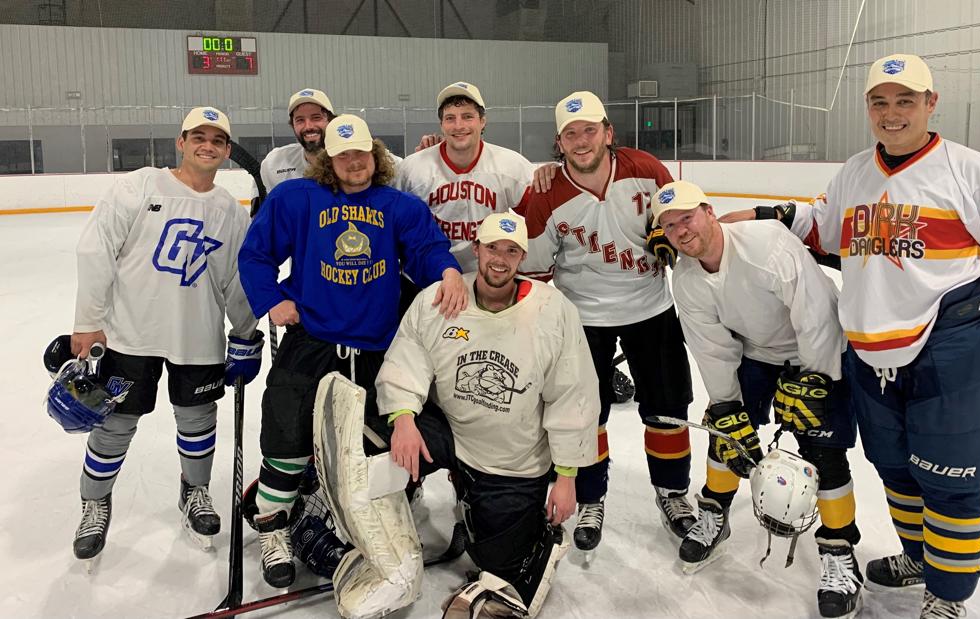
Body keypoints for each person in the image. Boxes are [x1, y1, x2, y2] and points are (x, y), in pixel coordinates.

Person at [723, 53, 980, 618]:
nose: (892, 113)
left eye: (905, 100)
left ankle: (948, 594)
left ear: (931, 103)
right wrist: (764, 215)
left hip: (950, 346)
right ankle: (920, 557)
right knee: (896, 469)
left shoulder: (973, 172)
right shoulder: (856, 172)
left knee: (951, 475)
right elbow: (822, 227)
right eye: (880, 102)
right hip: (868, 353)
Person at [238, 112, 467, 588]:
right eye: (343, 155)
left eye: (361, 153)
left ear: (375, 155)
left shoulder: (397, 206)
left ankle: (374, 511)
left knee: (379, 440)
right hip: (312, 341)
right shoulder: (297, 198)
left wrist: (446, 270)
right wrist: (272, 300)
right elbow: (256, 253)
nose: (354, 162)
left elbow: (426, 249)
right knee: (286, 433)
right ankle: (273, 527)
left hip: (378, 348)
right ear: (329, 159)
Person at [653, 180, 863, 618]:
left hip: (820, 348)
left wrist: (815, 379)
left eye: (687, 218)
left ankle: (839, 550)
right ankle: (714, 515)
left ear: (709, 212)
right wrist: (726, 407)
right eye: (670, 226)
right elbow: (712, 349)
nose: (681, 231)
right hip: (759, 353)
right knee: (725, 435)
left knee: (823, 452)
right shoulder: (687, 279)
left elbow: (816, 314)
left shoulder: (767, 244)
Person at [376, 211, 599, 615]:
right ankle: (380, 529)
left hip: (513, 461)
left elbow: (574, 395)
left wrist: (567, 479)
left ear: (523, 257)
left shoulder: (552, 311)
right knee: (374, 439)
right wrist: (403, 419)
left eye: (511, 251)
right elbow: (407, 357)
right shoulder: (441, 297)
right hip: (451, 433)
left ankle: (506, 529)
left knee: (500, 567)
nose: (500, 259)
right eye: (492, 247)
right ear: (476, 249)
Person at [69, 106, 263, 562]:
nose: (207, 146)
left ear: (227, 151)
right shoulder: (139, 186)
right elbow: (97, 249)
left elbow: (238, 281)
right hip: (129, 334)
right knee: (115, 423)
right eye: (199, 137)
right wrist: (87, 320)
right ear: (181, 142)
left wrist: (245, 334)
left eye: (217, 141)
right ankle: (94, 502)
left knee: (197, 421)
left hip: (197, 335)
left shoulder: (230, 212)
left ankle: (194, 492)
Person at [519, 90, 695, 556]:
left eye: (590, 130)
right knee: (584, 416)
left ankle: (673, 492)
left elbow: (679, 217)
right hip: (583, 318)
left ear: (608, 132)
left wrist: (666, 231)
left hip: (651, 309)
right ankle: (590, 498)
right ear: (559, 142)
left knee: (668, 409)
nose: (581, 141)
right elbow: (533, 266)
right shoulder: (546, 193)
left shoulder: (646, 169)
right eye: (571, 134)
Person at [394, 81, 535, 273]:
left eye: (467, 117)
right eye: (450, 118)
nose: (459, 126)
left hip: (488, 276)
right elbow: (390, 221)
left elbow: (540, 219)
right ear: (441, 125)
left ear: (482, 121)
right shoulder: (412, 168)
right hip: (427, 277)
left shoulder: (510, 165)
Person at [261, 88, 404, 195]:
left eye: (316, 117)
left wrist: (419, 155)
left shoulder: (377, 160)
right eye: (300, 120)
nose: (308, 126)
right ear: (292, 125)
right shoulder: (274, 163)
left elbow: (403, 170)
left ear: (331, 120)